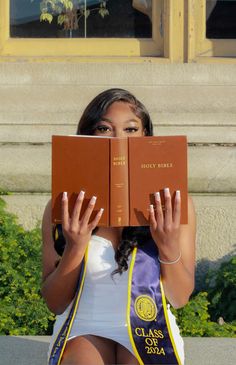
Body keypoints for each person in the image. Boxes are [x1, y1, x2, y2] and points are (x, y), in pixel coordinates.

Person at [42, 88, 196, 365]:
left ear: (146, 137)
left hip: (151, 326)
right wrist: (75, 247)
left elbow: (180, 297)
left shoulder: (172, 202)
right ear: (88, 136)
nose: (118, 139)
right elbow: (55, 303)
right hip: (82, 325)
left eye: (130, 129)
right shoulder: (64, 204)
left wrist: (167, 244)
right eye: (104, 128)